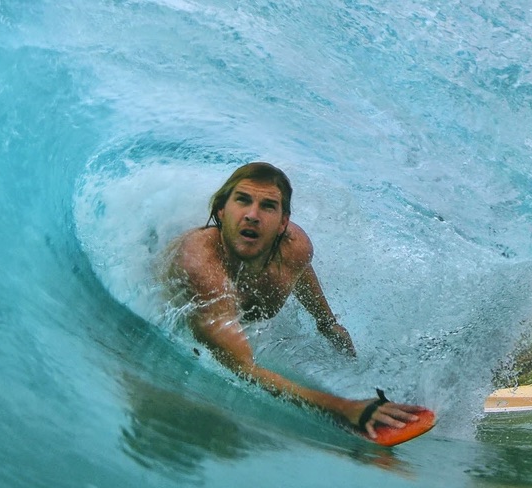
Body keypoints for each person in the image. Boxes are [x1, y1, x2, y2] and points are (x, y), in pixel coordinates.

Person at [161, 161, 426, 438]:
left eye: (268, 206)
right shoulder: (201, 265)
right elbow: (242, 367)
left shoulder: (294, 246)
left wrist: (327, 323)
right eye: (242, 200)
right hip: (182, 313)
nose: (252, 215)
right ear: (221, 210)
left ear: (283, 223)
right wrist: (345, 408)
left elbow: (299, 271)